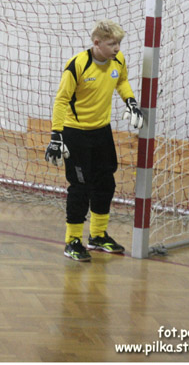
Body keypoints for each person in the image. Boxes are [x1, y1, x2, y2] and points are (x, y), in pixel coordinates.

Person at [45, 19, 144, 262]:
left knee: (105, 183)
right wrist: (56, 135)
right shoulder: (78, 65)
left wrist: (130, 101)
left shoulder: (117, 60)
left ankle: (98, 236)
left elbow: (121, 80)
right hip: (76, 133)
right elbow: (61, 100)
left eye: (119, 43)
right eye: (112, 44)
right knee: (80, 187)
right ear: (97, 43)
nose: (117, 48)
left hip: (102, 132)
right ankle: (72, 241)